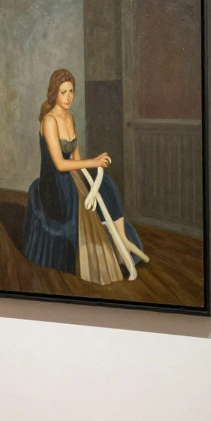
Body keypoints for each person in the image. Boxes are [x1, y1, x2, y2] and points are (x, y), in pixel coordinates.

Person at [21, 68, 148, 284]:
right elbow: (61, 164)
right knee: (82, 194)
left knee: (107, 184)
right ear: (54, 93)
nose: (69, 97)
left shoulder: (70, 118)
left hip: (70, 174)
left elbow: (76, 157)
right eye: (63, 92)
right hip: (54, 184)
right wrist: (94, 162)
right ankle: (119, 247)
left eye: (71, 91)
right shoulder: (49, 121)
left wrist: (95, 175)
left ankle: (122, 240)